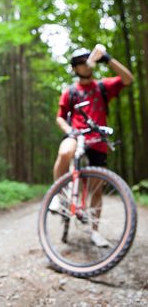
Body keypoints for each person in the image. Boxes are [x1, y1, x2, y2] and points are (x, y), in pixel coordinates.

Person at [50, 45, 133, 247]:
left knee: (97, 188)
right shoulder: (69, 91)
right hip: (76, 135)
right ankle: (59, 195)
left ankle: (95, 232)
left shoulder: (102, 87)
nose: (83, 65)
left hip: (98, 139)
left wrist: (107, 58)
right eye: (78, 62)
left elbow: (128, 79)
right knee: (65, 151)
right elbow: (60, 118)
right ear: (74, 68)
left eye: (86, 60)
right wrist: (69, 130)